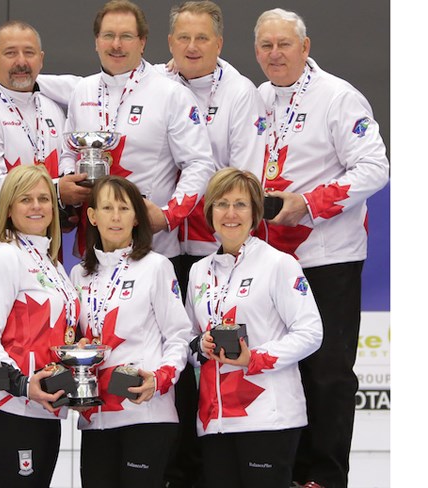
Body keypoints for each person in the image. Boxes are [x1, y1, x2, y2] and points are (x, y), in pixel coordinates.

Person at [253, 9, 390, 488]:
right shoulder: (256, 100)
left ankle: (326, 477)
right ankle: (285, 473)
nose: (275, 53)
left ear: (305, 47)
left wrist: (307, 203)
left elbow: (374, 169)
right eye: (266, 45)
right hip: (270, 260)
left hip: (328, 257)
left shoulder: (339, 96)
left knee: (328, 373)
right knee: (282, 369)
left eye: (284, 44)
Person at [159, 4, 267, 485]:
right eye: (183, 37)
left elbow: (243, 175)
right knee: (173, 359)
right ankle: (174, 469)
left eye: (202, 38)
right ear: (169, 42)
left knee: (211, 359)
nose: (191, 47)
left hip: (211, 252)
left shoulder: (241, 92)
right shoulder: (153, 83)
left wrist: (220, 229)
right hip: (163, 247)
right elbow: (79, 88)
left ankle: (209, 467)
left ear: (219, 44)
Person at [185, 167, 323, 488]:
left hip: (268, 417)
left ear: (255, 213)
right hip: (214, 421)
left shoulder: (279, 264)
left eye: (241, 204)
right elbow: (189, 342)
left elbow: (310, 332)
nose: (230, 213)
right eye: (221, 203)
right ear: (210, 211)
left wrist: (255, 358)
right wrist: (200, 346)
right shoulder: (198, 272)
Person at [59, 0, 216, 263]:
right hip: (93, 251)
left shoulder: (171, 93)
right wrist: (67, 182)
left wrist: (168, 216)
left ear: (142, 42)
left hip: (153, 250)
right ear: (96, 41)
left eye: (126, 36)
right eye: (108, 35)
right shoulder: (82, 90)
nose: (116, 44)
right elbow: (68, 152)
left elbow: (199, 163)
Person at [69, 175, 191, 488]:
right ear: (92, 216)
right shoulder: (78, 275)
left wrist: (161, 378)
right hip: (95, 418)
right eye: (107, 207)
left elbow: (179, 336)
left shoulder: (156, 266)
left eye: (124, 208)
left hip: (145, 411)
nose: (115, 216)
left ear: (136, 217)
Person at [0, 164, 78, 487]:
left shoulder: (53, 264)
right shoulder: (4, 257)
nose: (36, 206)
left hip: (45, 408)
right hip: (9, 409)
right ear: (9, 208)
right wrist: (21, 383)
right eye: (25, 198)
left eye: (44, 198)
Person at [0, 20, 90, 251]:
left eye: (29, 53)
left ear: (41, 58)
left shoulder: (51, 107)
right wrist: (56, 191)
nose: (21, 62)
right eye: (10, 53)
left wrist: (65, 208)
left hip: (47, 248)